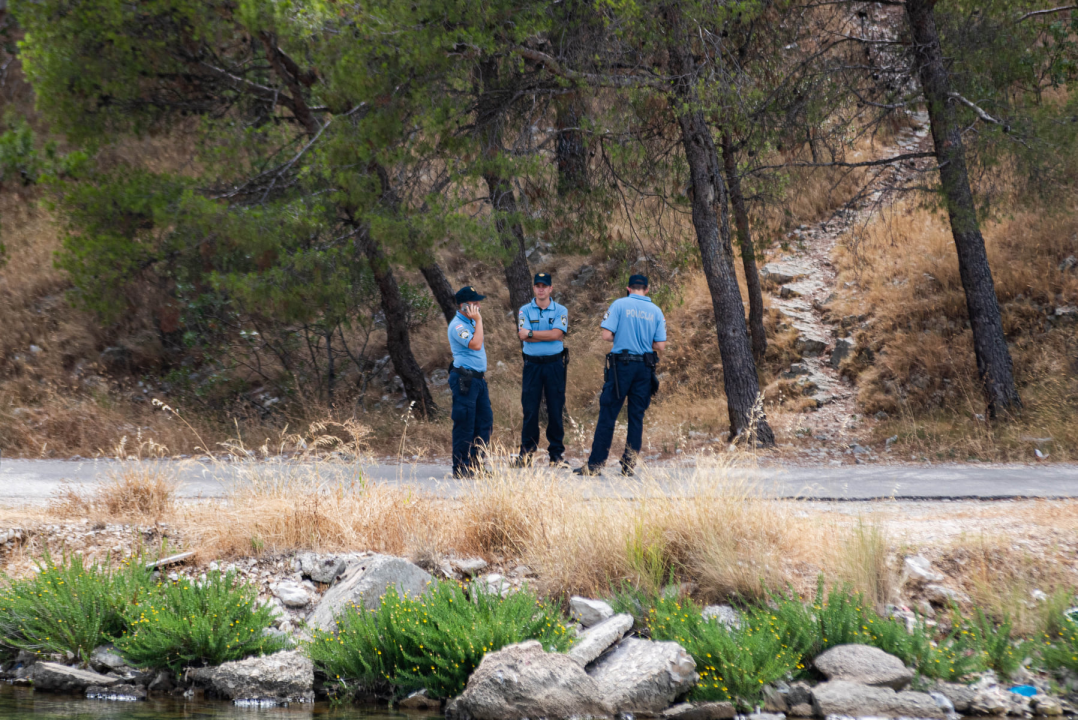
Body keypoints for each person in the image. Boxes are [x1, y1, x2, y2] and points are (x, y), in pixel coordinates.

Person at [574, 274, 666, 477]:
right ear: (647, 289)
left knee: (608, 414)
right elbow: (660, 345)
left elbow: (606, 335)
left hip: (621, 368)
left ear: (628, 288)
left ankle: (596, 465)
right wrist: (642, 342)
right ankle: (628, 465)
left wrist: (624, 336)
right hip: (644, 368)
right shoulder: (656, 311)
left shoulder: (619, 305)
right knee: (636, 417)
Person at [511, 272, 570, 468]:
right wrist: (546, 335)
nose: (541, 288)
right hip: (532, 365)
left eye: (545, 285)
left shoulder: (560, 309)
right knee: (530, 409)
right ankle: (526, 454)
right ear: (534, 288)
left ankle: (556, 455)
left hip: (554, 365)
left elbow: (558, 334)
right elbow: (522, 335)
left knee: (555, 409)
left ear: (551, 288)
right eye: (538, 285)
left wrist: (532, 333)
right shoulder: (524, 310)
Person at [448, 286, 492, 479]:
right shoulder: (458, 325)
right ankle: (460, 466)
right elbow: (475, 344)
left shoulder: (472, 323)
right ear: (464, 306)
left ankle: (475, 464)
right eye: (474, 304)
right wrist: (479, 320)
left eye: (478, 303)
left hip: (478, 381)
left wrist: (477, 321)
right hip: (465, 380)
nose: (478, 306)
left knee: (484, 422)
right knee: (465, 423)